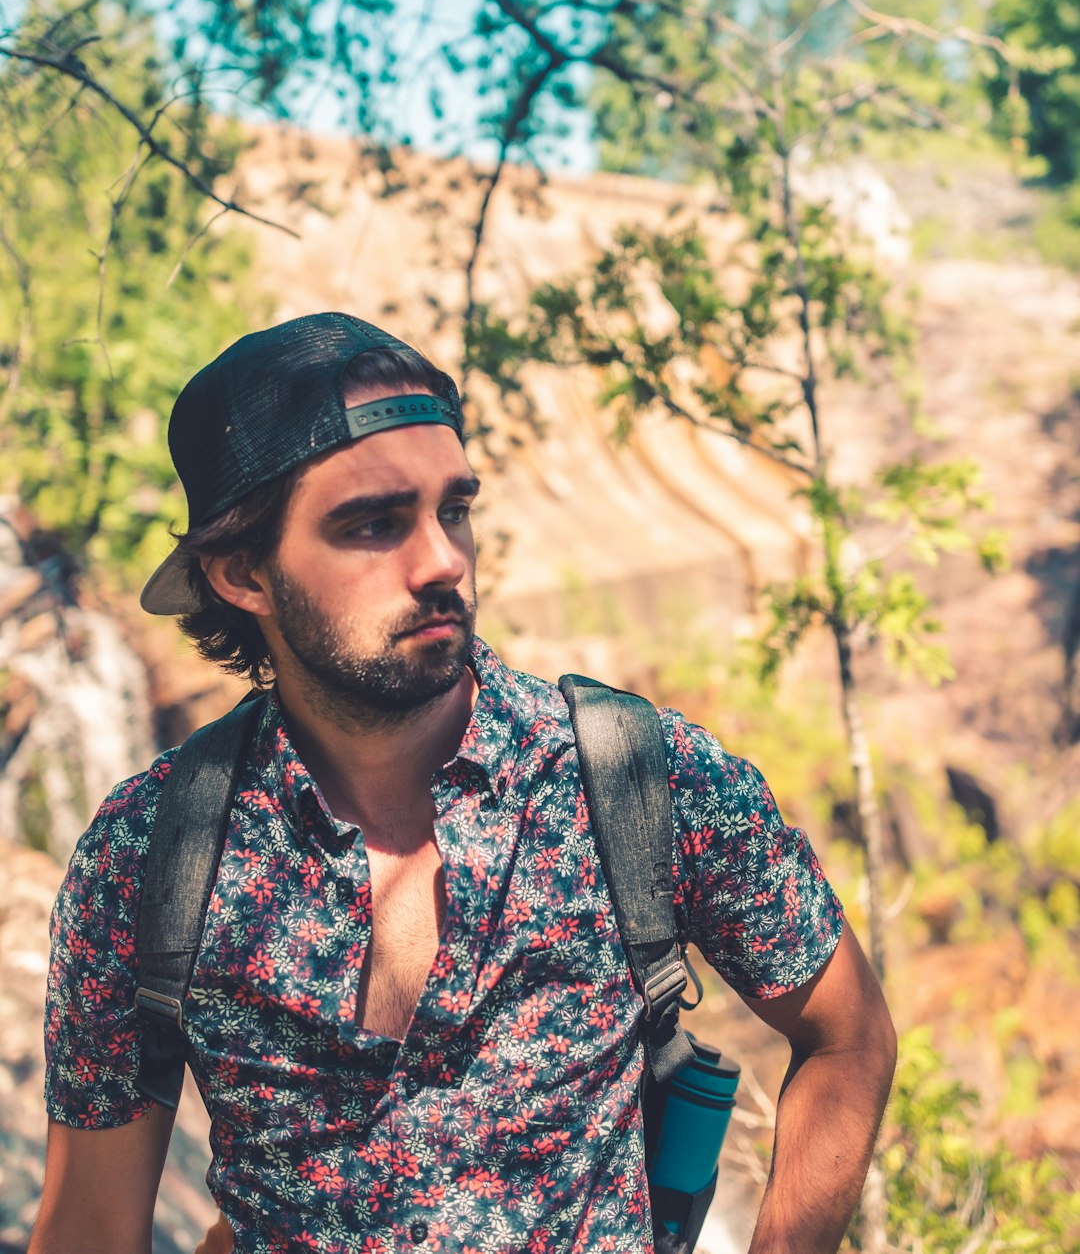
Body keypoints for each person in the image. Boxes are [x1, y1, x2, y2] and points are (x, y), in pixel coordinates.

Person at [31, 311, 896, 1254]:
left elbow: (848, 1036)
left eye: (453, 509)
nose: (443, 560)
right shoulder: (151, 857)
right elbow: (91, 1226)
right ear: (243, 573)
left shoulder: (639, 779)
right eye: (373, 524)